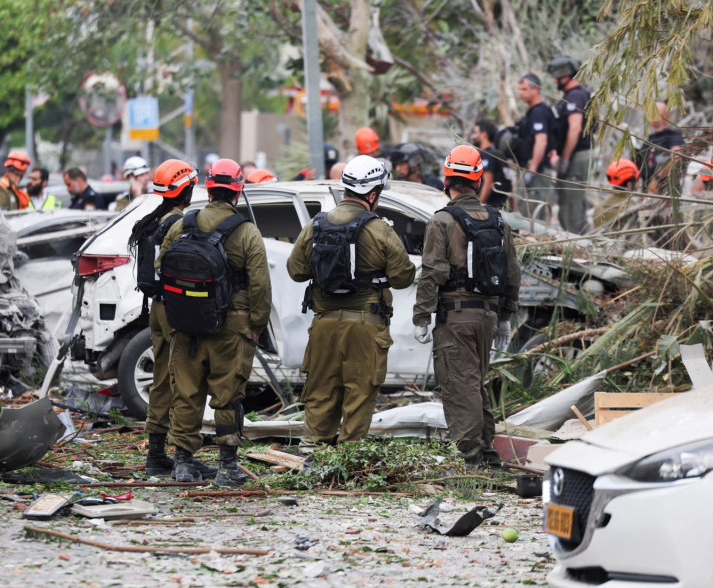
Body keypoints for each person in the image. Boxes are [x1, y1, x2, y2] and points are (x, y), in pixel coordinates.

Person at [286, 156, 415, 454]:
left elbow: (296, 271)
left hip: (323, 324)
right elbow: (404, 277)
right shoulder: (380, 229)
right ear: (372, 194)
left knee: (321, 389)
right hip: (366, 327)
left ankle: (311, 451)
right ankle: (349, 456)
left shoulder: (316, 225)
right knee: (359, 392)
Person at [157, 159, 271, 487]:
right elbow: (260, 285)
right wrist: (256, 325)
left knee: (186, 392)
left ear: (208, 188)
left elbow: (161, 265)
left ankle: (182, 463)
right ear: (238, 190)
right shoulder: (247, 232)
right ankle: (227, 467)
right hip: (233, 325)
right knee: (228, 394)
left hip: (186, 322)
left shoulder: (183, 224)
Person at [413, 145, 520, 469]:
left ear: (446, 179)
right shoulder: (498, 221)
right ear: (478, 180)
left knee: (460, 388)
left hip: (456, 318)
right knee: (475, 384)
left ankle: (470, 461)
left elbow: (433, 271)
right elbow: (512, 272)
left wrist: (421, 316)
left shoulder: (442, 221)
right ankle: (487, 454)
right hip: (487, 317)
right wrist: (505, 316)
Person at [127, 160, 217, 479]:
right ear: (186, 190)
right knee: (187, 381)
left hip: (157, 309)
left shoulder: (152, 222)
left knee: (162, 380)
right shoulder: (179, 224)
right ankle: (183, 458)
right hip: (178, 311)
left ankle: (156, 455)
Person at [546, 55, 594, 234]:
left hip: (576, 156)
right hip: (573, 155)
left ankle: (580, 243)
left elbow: (575, 129)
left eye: (555, 76)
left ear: (564, 74)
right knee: (567, 204)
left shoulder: (576, 95)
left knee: (573, 205)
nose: (553, 80)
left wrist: (564, 159)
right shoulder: (571, 96)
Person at [516, 73, 557, 220]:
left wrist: (532, 169)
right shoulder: (532, 112)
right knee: (525, 211)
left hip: (537, 170)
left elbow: (541, 141)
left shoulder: (539, 112)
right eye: (520, 89)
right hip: (529, 168)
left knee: (533, 215)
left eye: (525, 89)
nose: (521, 93)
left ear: (536, 89)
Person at [638, 100, 685, 193]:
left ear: (668, 117)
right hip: (646, 194)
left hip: (665, 193)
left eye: (659, 116)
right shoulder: (650, 139)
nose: (655, 120)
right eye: (652, 116)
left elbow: (676, 157)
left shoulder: (673, 136)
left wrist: (657, 179)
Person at [470, 120, 513, 208]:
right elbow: (510, 184)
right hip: (502, 206)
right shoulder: (499, 154)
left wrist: (478, 207)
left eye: (475, 133)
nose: (472, 137)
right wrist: (514, 209)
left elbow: (488, 182)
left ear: (484, 134)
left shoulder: (486, 155)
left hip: (491, 206)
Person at [593, 158, 641, 230]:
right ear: (629, 184)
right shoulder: (632, 209)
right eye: (638, 179)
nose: (639, 182)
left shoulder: (599, 208)